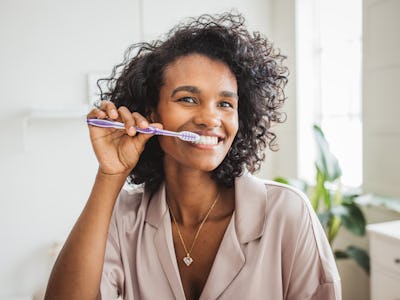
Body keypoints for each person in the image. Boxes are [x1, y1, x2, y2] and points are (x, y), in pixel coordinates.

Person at [44, 12, 341, 300]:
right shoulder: (124, 218)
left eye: (225, 104)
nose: (210, 118)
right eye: (188, 99)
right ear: (152, 112)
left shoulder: (287, 213)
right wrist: (110, 174)